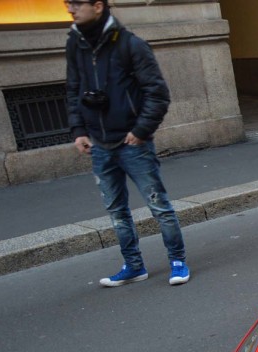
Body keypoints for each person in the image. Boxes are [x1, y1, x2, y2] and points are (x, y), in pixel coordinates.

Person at [65, 0, 189, 288]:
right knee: (117, 212)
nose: (70, 8)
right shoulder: (76, 43)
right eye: (67, 3)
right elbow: (73, 89)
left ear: (98, 6)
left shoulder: (130, 44)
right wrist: (79, 130)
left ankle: (178, 261)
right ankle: (134, 266)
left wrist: (142, 130)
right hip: (98, 143)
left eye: (76, 2)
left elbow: (157, 92)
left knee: (159, 206)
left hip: (132, 142)